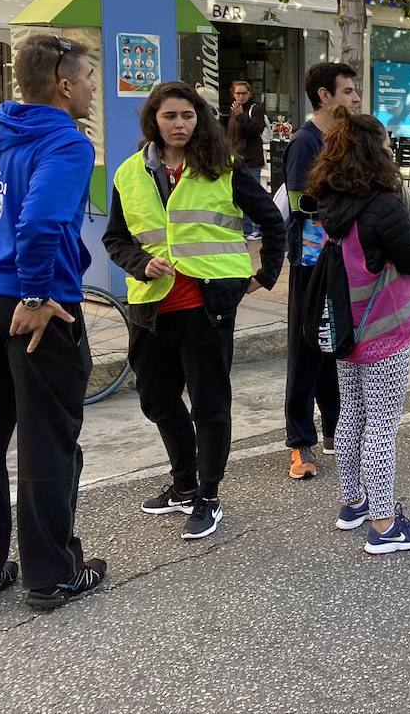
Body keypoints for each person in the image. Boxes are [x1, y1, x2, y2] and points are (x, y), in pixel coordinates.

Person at [104, 81, 285, 541]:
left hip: (207, 306)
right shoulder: (129, 173)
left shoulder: (222, 167)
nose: (179, 124)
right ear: (154, 120)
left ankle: (208, 495)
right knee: (157, 399)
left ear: (199, 118)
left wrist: (265, 275)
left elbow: (271, 219)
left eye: (188, 115)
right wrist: (140, 263)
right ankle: (183, 483)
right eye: (170, 116)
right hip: (150, 305)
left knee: (209, 403)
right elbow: (115, 238)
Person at [0, 35, 107, 610]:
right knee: (46, 443)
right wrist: (34, 293)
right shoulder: (66, 142)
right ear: (63, 84)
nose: (91, 88)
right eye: (87, 77)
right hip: (39, 308)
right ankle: (52, 575)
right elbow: (38, 223)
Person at [308, 108, 410, 554]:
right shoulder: (383, 203)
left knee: (351, 414)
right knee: (382, 425)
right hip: (382, 329)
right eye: (388, 149)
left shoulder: (330, 199)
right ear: (374, 154)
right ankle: (385, 524)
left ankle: (353, 502)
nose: (392, 155)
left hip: (345, 326)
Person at [282, 63, 360, 480]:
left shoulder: (344, 139)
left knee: (336, 345)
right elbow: (301, 205)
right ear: (324, 96)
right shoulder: (304, 142)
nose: (356, 98)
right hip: (310, 262)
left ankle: (335, 429)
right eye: (347, 91)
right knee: (306, 351)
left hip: (342, 260)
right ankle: (300, 440)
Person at [226, 80, 267, 240]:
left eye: (244, 93)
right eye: (238, 93)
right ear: (233, 94)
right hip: (236, 158)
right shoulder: (234, 109)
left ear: (249, 94)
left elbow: (255, 130)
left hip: (251, 159)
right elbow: (231, 134)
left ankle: (258, 228)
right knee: (239, 195)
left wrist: (241, 116)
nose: (241, 96)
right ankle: (245, 228)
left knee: (253, 195)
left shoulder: (254, 109)